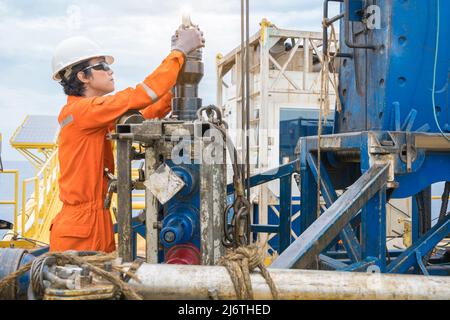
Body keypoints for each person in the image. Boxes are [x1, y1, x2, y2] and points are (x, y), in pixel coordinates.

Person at [49, 27, 204, 253]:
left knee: (102, 284)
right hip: (81, 229)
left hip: (91, 222)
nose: (110, 71)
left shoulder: (90, 116)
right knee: (85, 287)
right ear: (82, 76)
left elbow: (141, 115)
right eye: (101, 66)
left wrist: (176, 88)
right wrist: (179, 51)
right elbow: (142, 95)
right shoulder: (84, 111)